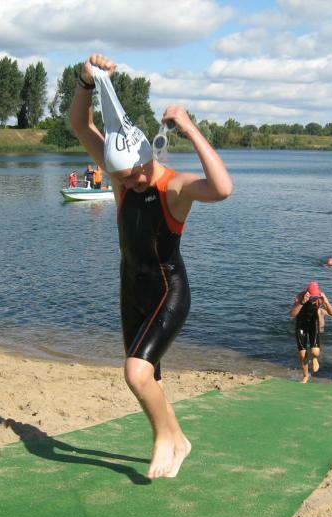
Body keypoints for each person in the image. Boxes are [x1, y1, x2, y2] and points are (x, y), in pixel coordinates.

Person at [69, 53, 233, 479]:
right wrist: (86, 82)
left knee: (135, 373)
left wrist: (190, 128)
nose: (131, 182)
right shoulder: (122, 177)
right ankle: (178, 440)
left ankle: (162, 438)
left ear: (148, 156)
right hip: (131, 288)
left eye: (136, 174)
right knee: (149, 378)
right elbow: (79, 125)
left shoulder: (173, 186)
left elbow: (222, 188)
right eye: (123, 177)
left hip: (167, 291)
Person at [290, 281, 332, 383]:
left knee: (316, 352)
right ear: (307, 294)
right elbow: (292, 314)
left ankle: (314, 358)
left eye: (315, 297)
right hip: (301, 325)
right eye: (312, 298)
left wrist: (326, 302)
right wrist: (302, 303)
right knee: (302, 354)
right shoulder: (300, 296)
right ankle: (305, 376)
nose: (314, 300)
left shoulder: (320, 298)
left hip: (313, 324)